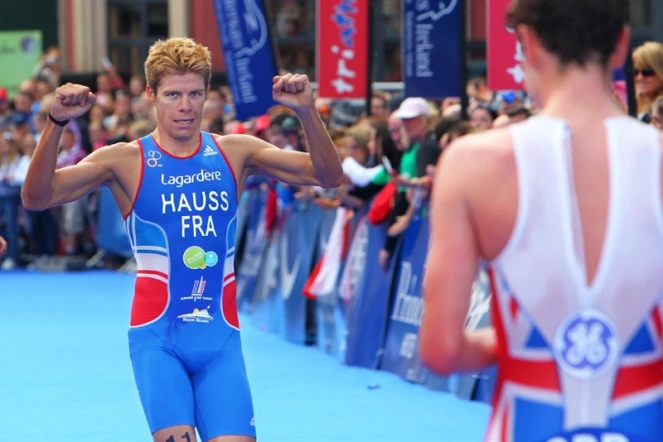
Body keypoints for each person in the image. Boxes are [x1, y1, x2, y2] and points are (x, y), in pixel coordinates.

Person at [21, 37, 342, 442]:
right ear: (152, 96)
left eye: (195, 94)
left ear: (208, 95)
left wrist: (307, 112)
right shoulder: (123, 159)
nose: (185, 106)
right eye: (173, 94)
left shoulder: (236, 152)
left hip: (221, 340)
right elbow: (37, 197)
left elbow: (328, 177)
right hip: (158, 340)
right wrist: (56, 123)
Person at [419, 0, 663, 441]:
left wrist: (524, 342)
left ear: (527, 43)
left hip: (528, 422)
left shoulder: (474, 164)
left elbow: (441, 350)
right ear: (621, 45)